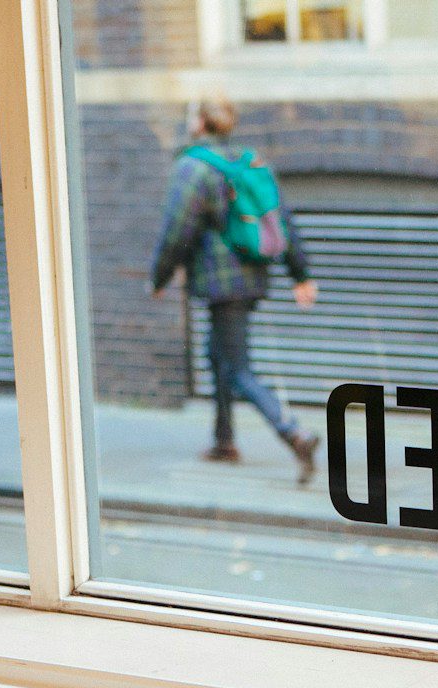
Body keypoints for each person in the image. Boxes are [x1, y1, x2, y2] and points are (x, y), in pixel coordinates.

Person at [150, 98, 320, 484]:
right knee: (217, 356)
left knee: (237, 367)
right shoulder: (252, 161)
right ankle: (224, 441)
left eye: (191, 113)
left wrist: (159, 278)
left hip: (220, 283)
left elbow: (177, 230)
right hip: (252, 277)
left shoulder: (193, 167)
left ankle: (293, 432)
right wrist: (300, 275)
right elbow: (283, 220)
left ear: (200, 123)